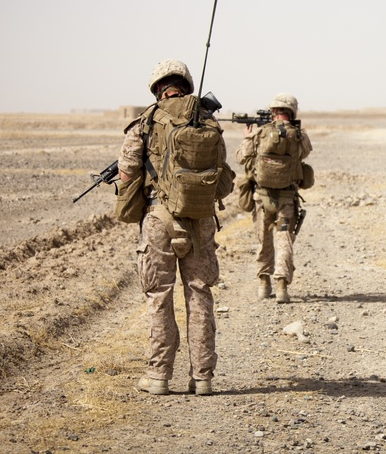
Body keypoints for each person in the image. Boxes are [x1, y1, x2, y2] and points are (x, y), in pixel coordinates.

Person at [117, 59, 229, 396]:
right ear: (186, 84)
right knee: (199, 294)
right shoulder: (207, 121)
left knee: (159, 296)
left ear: (157, 88)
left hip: (159, 220)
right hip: (200, 221)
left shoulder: (145, 122)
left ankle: (159, 377)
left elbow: (126, 173)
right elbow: (222, 176)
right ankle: (204, 377)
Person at [236, 93, 313, 304]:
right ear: (292, 112)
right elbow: (304, 154)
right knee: (284, 241)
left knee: (263, 241)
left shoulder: (261, 132)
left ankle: (263, 284)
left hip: (262, 198)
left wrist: (247, 137)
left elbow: (241, 157)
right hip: (287, 199)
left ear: (273, 111)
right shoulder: (299, 136)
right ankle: (281, 286)